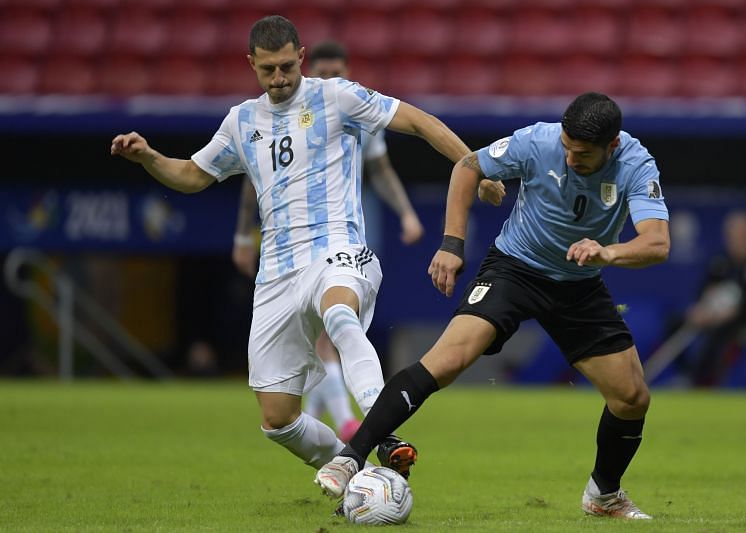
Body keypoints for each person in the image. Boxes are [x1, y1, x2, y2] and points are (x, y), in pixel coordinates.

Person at [110, 15, 493, 487]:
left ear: (302, 57)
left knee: (339, 314)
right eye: (268, 70)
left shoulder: (336, 96)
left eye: (287, 67)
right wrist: (148, 157)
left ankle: (383, 430)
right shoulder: (241, 120)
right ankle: (364, 480)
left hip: (338, 247)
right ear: (251, 64)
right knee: (277, 419)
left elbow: (419, 121)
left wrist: (475, 167)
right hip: (276, 273)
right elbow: (191, 176)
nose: (279, 78)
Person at [315, 92, 670, 521]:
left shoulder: (635, 162)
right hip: (514, 269)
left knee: (632, 397)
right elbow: (468, 168)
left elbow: (657, 242)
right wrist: (451, 244)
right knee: (448, 361)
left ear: (611, 146)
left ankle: (604, 495)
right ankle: (349, 457)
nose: (571, 158)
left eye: (583, 154)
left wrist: (607, 253)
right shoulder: (538, 142)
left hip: (579, 282)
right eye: (567, 147)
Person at [230, 40, 424, 443]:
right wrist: (243, 236)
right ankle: (342, 420)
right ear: (309, 68)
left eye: (340, 71)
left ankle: (346, 419)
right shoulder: (268, 119)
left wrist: (406, 212)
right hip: (289, 250)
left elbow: (381, 170)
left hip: (346, 236)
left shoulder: (352, 107)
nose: (332, 79)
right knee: (327, 333)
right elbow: (253, 184)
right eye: (326, 72)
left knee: (335, 322)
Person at [677, 210, 746, 385]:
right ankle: (686, 374)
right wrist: (701, 309)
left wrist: (734, 312)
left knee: (719, 334)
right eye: (732, 236)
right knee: (675, 322)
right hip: (712, 315)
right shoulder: (720, 261)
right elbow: (704, 290)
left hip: (743, 321)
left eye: (741, 236)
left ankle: (702, 382)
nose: (736, 240)